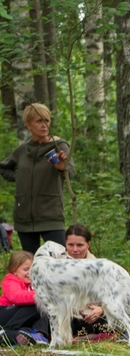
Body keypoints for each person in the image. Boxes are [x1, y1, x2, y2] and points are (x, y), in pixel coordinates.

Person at [0, 103, 72, 252]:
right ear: (28, 124)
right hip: (24, 219)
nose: (44, 125)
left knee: (59, 260)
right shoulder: (22, 151)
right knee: (30, 263)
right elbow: (3, 168)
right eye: (39, 121)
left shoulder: (59, 146)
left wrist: (62, 168)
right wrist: (19, 177)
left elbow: (70, 172)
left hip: (51, 217)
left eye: (47, 120)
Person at [63, 224, 112, 339]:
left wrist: (101, 310)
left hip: (92, 316)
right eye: (71, 245)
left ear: (88, 244)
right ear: (65, 244)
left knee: (115, 315)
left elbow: (111, 295)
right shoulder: (56, 264)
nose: (75, 250)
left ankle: (87, 335)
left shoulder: (98, 266)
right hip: (67, 315)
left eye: (80, 245)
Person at [0, 250, 50, 345]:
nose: (30, 272)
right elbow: (17, 297)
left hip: (21, 318)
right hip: (4, 313)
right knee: (37, 304)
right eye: (26, 269)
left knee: (43, 307)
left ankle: (38, 335)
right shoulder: (10, 281)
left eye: (33, 269)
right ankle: (6, 332)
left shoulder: (35, 283)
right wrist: (41, 295)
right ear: (14, 271)